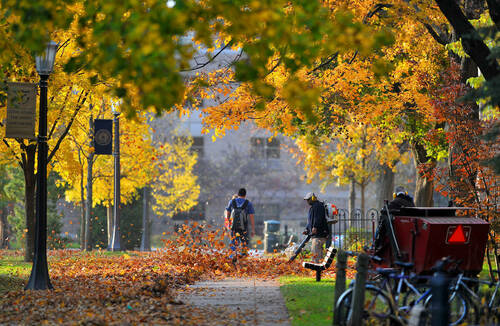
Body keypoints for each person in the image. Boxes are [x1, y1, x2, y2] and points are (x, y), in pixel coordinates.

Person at [373, 185, 415, 256]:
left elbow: (383, 211)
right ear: (405, 193)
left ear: (395, 195)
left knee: (380, 224)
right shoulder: (411, 204)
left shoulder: (394, 202)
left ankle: (376, 244)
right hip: (410, 230)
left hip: (396, 231)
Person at [225, 188, 255, 259]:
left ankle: (232, 256)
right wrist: (253, 229)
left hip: (234, 227)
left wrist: (228, 223)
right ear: (245, 195)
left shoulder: (232, 202)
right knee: (244, 242)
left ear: (238, 194)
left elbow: (228, 213)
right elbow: (251, 217)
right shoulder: (248, 203)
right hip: (244, 227)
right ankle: (243, 257)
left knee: (233, 242)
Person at [303, 192, 330, 263]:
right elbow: (310, 220)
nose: (307, 201)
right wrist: (307, 229)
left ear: (312, 198)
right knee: (317, 251)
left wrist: (315, 227)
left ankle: (317, 266)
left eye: (308, 199)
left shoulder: (318, 206)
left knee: (316, 251)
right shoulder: (313, 207)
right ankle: (318, 265)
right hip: (316, 235)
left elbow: (318, 218)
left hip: (319, 234)